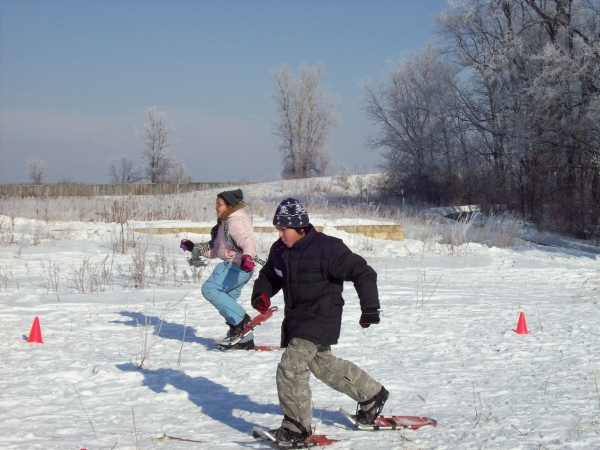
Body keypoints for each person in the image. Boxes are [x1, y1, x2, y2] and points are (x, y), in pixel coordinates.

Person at [250, 198, 388, 442]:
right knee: (322, 365)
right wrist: (261, 293)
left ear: (301, 228)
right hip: (297, 318)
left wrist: (369, 308)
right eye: (278, 230)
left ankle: (296, 426)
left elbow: (363, 272)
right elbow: (270, 274)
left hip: (321, 316)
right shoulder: (280, 250)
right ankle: (371, 395)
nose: (280, 235)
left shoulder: (328, 249)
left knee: (291, 366)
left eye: (285, 230)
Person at [180, 188, 259, 350]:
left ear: (229, 205)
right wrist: (193, 247)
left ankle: (242, 322)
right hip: (241, 268)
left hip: (236, 266)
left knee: (209, 289)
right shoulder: (225, 223)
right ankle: (244, 340)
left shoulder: (235, 221)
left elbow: (247, 241)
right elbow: (215, 250)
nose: (216, 208)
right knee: (227, 303)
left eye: (219, 205)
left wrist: (248, 257)